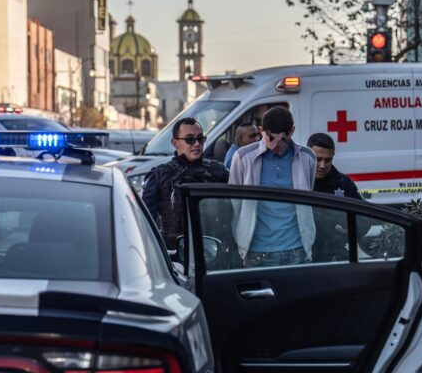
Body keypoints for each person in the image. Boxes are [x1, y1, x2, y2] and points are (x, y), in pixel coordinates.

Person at [228, 106, 316, 266]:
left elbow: (308, 199)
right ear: (261, 131)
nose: (276, 145)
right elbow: (235, 204)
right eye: (271, 139)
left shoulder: (307, 158)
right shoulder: (243, 158)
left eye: (282, 140)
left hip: (297, 250)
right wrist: (241, 240)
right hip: (256, 253)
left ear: (292, 131)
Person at [141, 117, 228, 251]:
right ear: (175, 142)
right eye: (190, 139)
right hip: (173, 253)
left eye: (200, 139)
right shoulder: (159, 174)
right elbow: (145, 223)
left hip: (211, 251)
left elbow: (234, 211)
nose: (197, 144)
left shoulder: (218, 171)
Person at [308, 132, 362, 198]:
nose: (323, 166)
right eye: (318, 159)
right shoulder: (296, 181)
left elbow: (358, 207)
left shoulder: (344, 183)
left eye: (328, 160)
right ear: (307, 156)